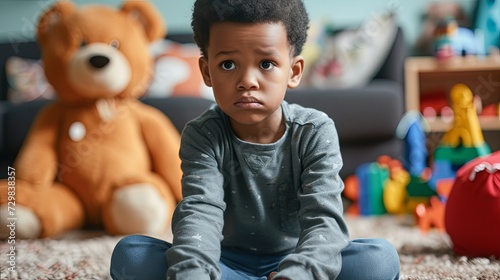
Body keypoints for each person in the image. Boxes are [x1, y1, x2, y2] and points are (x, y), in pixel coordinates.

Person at [110, 0, 401, 279]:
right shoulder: (203, 134)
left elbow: (323, 220)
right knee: (131, 255)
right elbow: (200, 211)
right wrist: (194, 274)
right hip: (223, 263)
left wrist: (300, 273)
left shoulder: (314, 130)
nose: (247, 80)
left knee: (379, 259)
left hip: (297, 258)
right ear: (206, 71)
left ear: (294, 72)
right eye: (227, 65)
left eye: (265, 64)